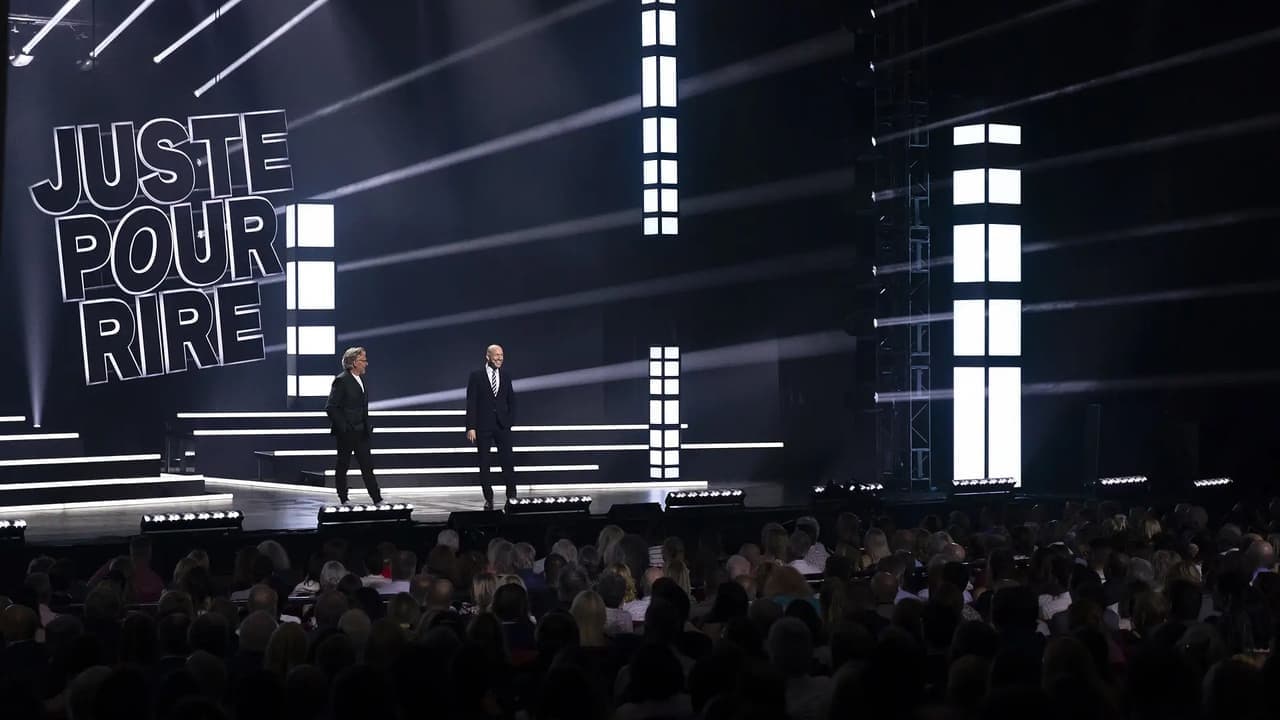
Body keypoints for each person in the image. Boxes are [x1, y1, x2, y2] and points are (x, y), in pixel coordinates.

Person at [325, 346, 382, 505]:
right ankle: (343, 498)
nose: (366, 364)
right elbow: (331, 407)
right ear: (354, 362)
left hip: (361, 431)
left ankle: (377, 498)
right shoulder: (342, 380)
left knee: (367, 466)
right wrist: (344, 428)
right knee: (343, 465)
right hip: (347, 432)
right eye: (363, 360)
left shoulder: (361, 380)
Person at [465, 344, 518, 509]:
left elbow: (512, 400)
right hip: (483, 426)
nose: (500, 358)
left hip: (502, 425)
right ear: (487, 356)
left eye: (501, 355)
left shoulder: (506, 375)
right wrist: (471, 427)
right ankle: (489, 497)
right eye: (496, 355)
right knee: (484, 462)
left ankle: (512, 495)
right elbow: (471, 402)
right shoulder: (476, 376)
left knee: (507, 461)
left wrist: (510, 421)